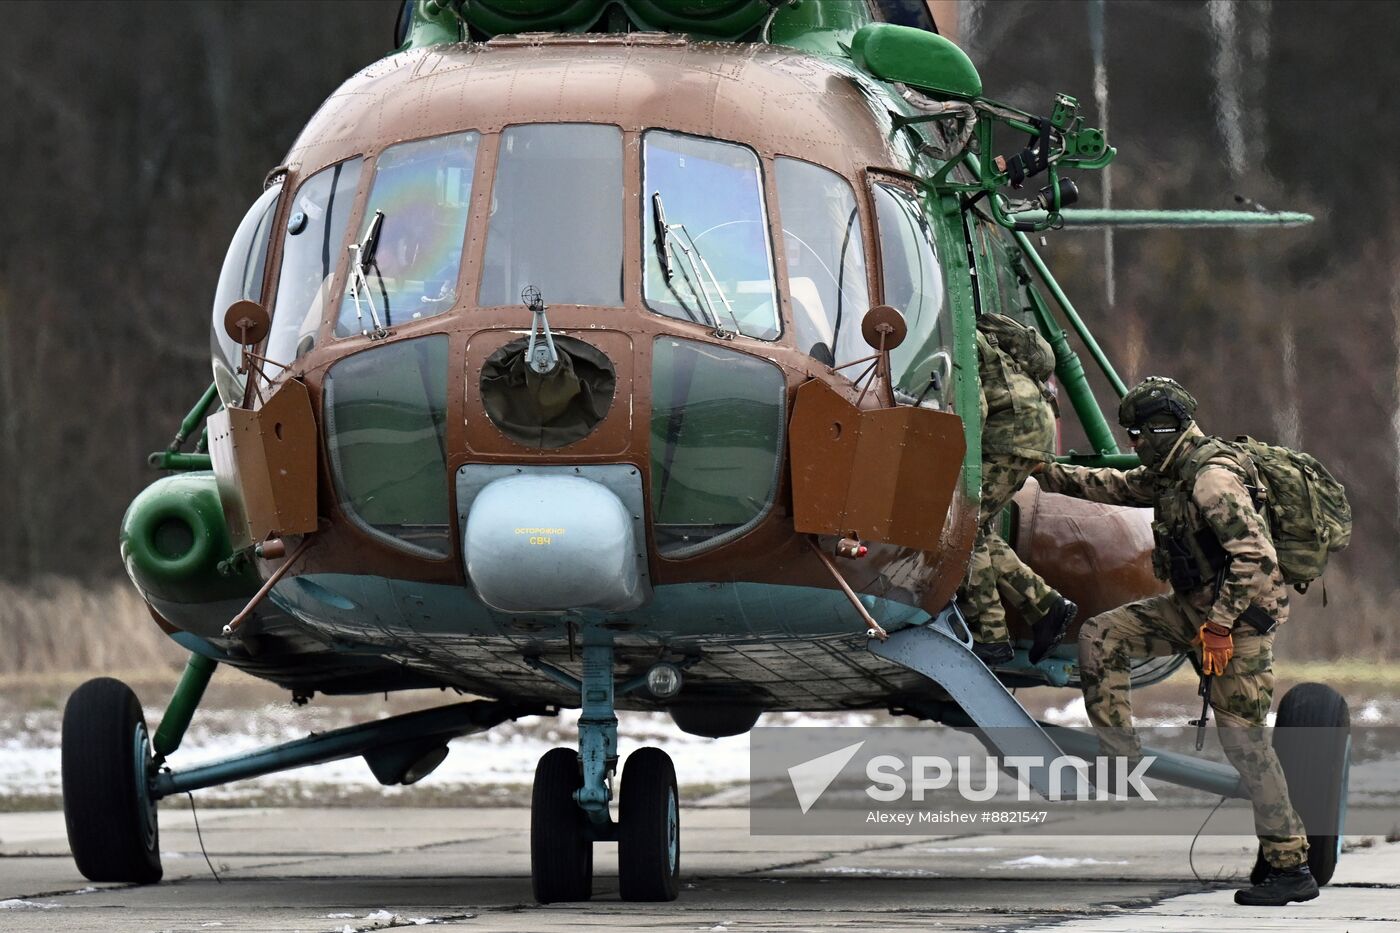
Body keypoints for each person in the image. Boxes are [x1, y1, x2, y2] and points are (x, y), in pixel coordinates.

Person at [1036, 376, 1317, 907]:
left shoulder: (1211, 480)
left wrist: (1218, 627)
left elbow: (1255, 559)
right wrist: (1038, 469)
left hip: (1238, 621)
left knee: (1246, 746)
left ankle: (1290, 865)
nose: (1134, 444)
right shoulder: (1171, 473)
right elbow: (1112, 488)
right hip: (1192, 608)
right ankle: (1119, 759)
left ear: (1163, 429)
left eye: (1140, 433)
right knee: (1101, 635)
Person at [964, 313, 1077, 666]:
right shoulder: (992, 344)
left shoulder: (968, 340)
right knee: (976, 527)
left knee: (960, 529)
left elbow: (977, 405)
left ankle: (991, 636)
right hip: (1026, 432)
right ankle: (1046, 607)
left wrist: (966, 450)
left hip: (1008, 436)